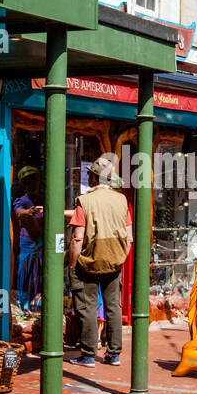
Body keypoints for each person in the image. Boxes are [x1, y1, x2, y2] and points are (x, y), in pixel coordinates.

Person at [67, 155, 133, 367]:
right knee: (113, 306)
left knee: (87, 306)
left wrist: (72, 264)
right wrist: (120, 255)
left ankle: (88, 354)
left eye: (89, 175)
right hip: (114, 260)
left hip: (88, 260)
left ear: (94, 178)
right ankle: (113, 354)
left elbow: (78, 237)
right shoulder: (122, 200)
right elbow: (129, 237)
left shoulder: (84, 201)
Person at [11, 167, 44, 310]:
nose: (32, 184)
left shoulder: (41, 198)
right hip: (26, 247)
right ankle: (22, 307)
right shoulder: (22, 200)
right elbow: (18, 212)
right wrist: (27, 212)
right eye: (28, 181)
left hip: (40, 246)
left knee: (37, 280)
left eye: (34, 180)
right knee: (24, 279)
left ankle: (35, 308)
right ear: (23, 184)